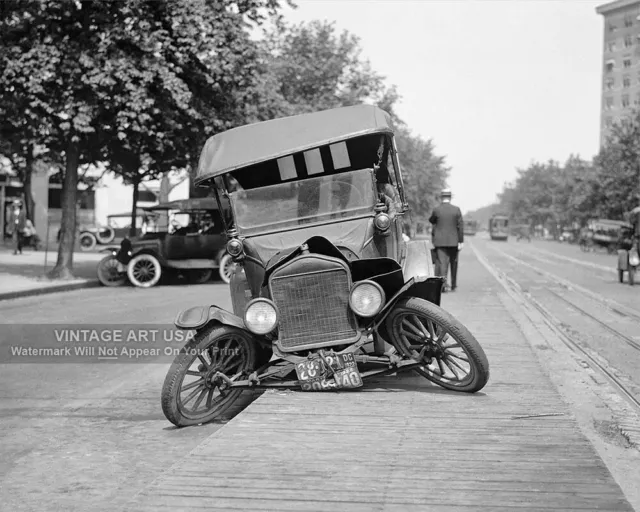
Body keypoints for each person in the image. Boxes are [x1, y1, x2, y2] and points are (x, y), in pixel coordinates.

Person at [429, 189, 464, 292]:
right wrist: (461, 241)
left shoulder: (437, 209)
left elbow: (431, 220)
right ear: (450, 197)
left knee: (442, 263)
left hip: (440, 242)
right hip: (454, 242)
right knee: (454, 264)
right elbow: (460, 227)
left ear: (441, 197)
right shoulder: (456, 210)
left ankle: (443, 286)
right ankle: (453, 285)